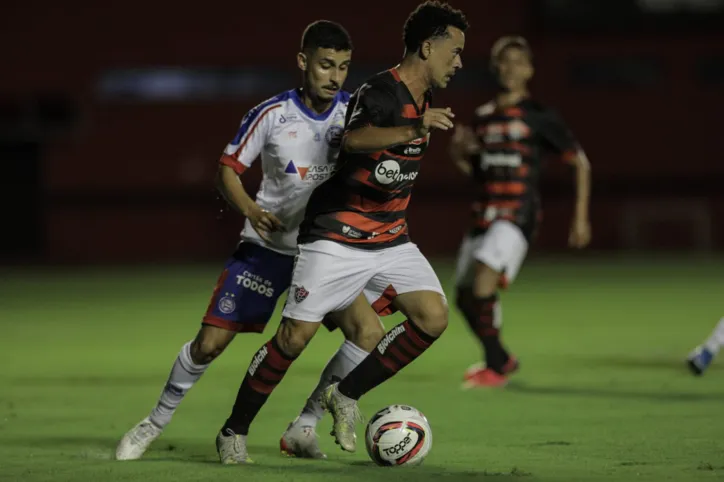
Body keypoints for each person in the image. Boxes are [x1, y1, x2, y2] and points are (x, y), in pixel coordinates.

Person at [116, 20, 390, 462]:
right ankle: (154, 423)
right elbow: (228, 168)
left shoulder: (352, 115)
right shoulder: (272, 114)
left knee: (368, 331)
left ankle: (304, 425)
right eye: (325, 65)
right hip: (267, 250)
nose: (335, 76)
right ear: (303, 62)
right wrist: (250, 209)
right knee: (209, 345)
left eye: (342, 67)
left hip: (324, 252)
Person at [214, 0, 468, 463]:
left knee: (432, 316)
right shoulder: (379, 91)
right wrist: (412, 128)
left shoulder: (425, 97)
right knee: (293, 339)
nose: (459, 62)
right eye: (454, 52)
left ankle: (342, 397)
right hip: (336, 236)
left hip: (390, 237)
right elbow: (354, 140)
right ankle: (234, 430)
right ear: (427, 47)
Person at [449, 36, 592, 388]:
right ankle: (501, 358)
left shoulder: (539, 116)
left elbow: (580, 163)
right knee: (463, 297)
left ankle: (495, 369)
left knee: (483, 280)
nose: (509, 69)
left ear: (529, 70)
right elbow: (481, 172)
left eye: (517, 62)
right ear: (495, 67)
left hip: (517, 215)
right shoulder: (482, 117)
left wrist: (580, 218)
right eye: (503, 62)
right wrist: (459, 156)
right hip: (483, 214)